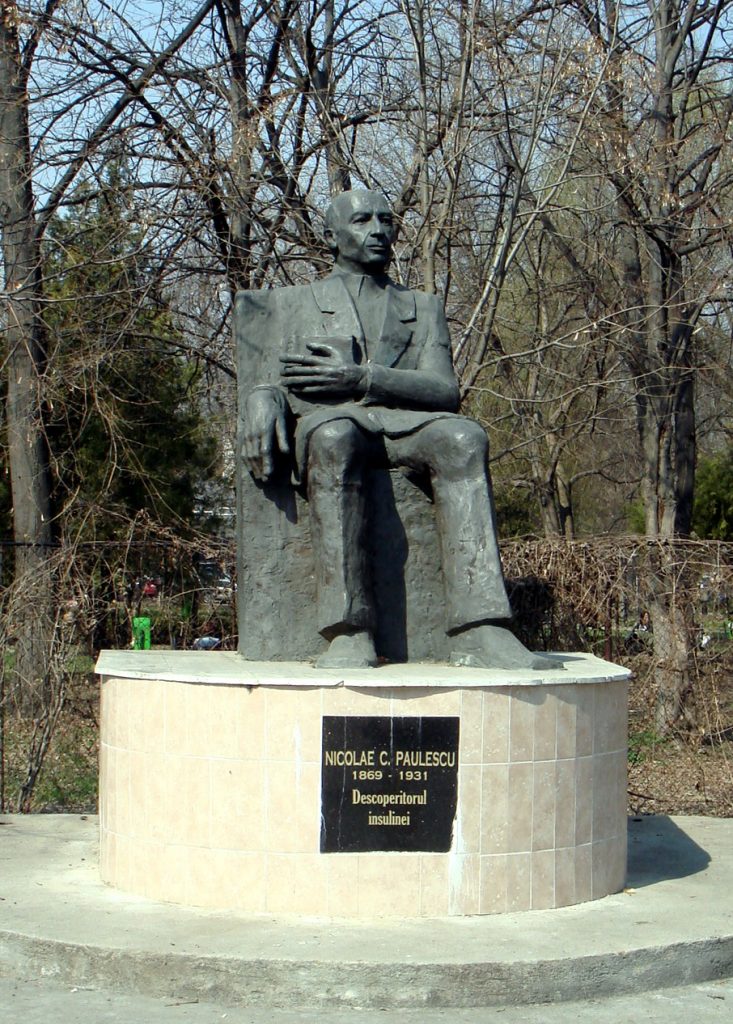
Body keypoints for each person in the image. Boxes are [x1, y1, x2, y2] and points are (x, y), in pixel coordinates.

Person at [241, 189, 551, 671]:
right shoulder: (293, 303)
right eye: (363, 220)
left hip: (406, 424)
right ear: (330, 236)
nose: (379, 230)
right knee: (334, 437)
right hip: (332, 424)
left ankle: (481, 627)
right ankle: (348, 630)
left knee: (463, 438)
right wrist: (260, 400)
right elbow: (267, 378)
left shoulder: (420, 306)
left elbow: (444, 391)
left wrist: (364, 378)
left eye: (386, 220)